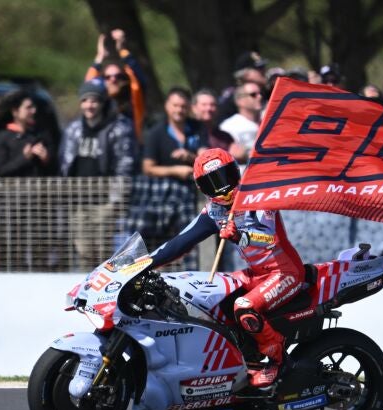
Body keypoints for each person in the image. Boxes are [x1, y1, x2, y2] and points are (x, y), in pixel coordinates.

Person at [148, 148, 305, 388]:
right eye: (213, 182)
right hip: (256, 273)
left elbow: (268, 238)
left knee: (244, 306)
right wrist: (145, 262)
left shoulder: (258, 196)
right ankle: (246, 359)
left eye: (225, 177)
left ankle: (280, 361)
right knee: (212, 296)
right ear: (203, 188)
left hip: (284, 272)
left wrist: (239, 235)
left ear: (236, 172)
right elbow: (182, 241)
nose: (222, 187)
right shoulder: (214, 210)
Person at [126, 87, 208, 270]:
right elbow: (148, 167)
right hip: (160, 194)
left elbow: (205, 158)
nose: (179, 110)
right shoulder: (156, 132)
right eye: (175, 105)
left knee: (189, 238)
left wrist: (189, 157)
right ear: (167, 107)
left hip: (190, 194)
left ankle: (190, 274)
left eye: (183, 106)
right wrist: (175, 170)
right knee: (148, 237)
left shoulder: (198, 128)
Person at [61, 80, 138, 267]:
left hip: (105, 202)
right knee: (83, 250)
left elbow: (125, 164)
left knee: (104, 252)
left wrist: (117, 199)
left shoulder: (118, 128)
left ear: (102, 102)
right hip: (78, 202)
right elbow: (65, 163)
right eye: (85, 100)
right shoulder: (73, 129)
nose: (89, 105)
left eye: (94, 100)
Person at [84, 29, 146, 140]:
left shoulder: (132, 99)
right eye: (108, 77)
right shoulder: (100, 101)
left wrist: (122, 50)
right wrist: (99, 57)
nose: (113, 80)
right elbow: (88, 87)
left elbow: (137, 78)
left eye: (118, 76)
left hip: (131, 146)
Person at [0, 90, 56, 177]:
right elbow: (0, 171)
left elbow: (56, 167)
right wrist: (24, 158)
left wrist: (46, 158)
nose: (34, 111)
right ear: (15, 112)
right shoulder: (3, 137)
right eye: (28, 108)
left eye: (33, 107)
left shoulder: (42, 134)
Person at [191, 88, 245, 161]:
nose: (209, 108)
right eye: (204, 105)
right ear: (194, 108)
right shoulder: (188, 132)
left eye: (212, 105)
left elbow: (240, 155)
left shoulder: (224, 136)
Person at [219, 82, 263, 162]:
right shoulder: (229, 126)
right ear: (239, 101)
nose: (260, 97)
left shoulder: (271, 118)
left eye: (260, 93)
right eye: (253, 95)